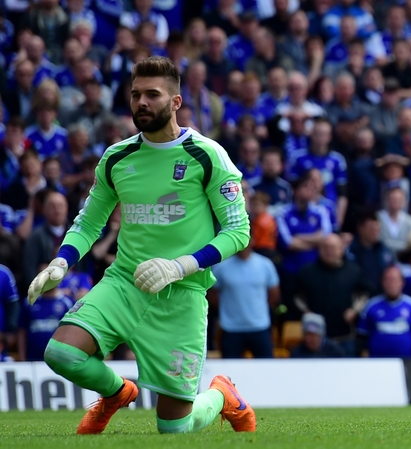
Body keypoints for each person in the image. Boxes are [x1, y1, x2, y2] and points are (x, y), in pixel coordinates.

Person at [26, 57, 256, 434]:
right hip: (124, 283)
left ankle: (223, 394)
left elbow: (238, 232)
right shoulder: (117, 157)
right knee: (61, 353)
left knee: (175, 429)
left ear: (176, 102)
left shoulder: (207, 155)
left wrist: (180, 265)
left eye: (152, 94)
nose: (142, 103)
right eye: (135, 95)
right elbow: (88, 222)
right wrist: (61, 262)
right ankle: (117, 394)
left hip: (180, 294)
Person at [209, 230, 281, 359]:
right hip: (231, 328)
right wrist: (226, 309)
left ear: (252, 240)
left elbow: (274, 294)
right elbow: (212, 293)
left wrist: (260, 309)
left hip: (260, 326)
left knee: (267, 369)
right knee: (229, 373)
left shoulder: (265, 265)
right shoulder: (221, 267)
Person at [356, 266, 411, 358]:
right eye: (387, 280)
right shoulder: (371, 305)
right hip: (376, 364)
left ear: (402, 283)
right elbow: (361, 337)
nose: (391, 284)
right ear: (382, 282)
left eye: (394, 280)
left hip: (406, 364)